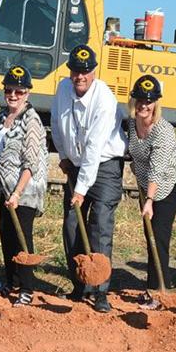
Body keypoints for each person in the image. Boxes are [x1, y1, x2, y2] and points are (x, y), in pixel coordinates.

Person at [51, 44, 126, 313]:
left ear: (93, 71)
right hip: (75, 163)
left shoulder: (104, 100)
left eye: (85, 71)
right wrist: (62, 155)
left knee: (99, 227)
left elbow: (94, 148)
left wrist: (81, 189)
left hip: (104, 167)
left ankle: (101, 291)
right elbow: (57, 124)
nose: (79, 76)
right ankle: (80, 283)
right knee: (72, 225)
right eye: (75, 71)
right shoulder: (62, 90)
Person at [0, 66, 48, 307]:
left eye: (18, 91)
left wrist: (17, 193)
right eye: (9, 90)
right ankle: (11, 281)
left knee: (22, 236)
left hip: (25, 188)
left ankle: (26, 288)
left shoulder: (31, 120)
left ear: (27, 93)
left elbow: (31, 162)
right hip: (7, 186)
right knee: (5, 230)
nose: (13, 95)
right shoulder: (3, 115)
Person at [126, 75, 176, 310]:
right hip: (146, 184)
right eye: (140, 99)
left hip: (167, 185)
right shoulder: (131, 123)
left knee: (157, 236)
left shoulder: (163, 130)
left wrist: (149, 200)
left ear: (156, 103)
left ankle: (158, 292)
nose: (143, 105)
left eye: (148, 101)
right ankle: (156, 286)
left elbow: (158, 168)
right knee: (150, 236)